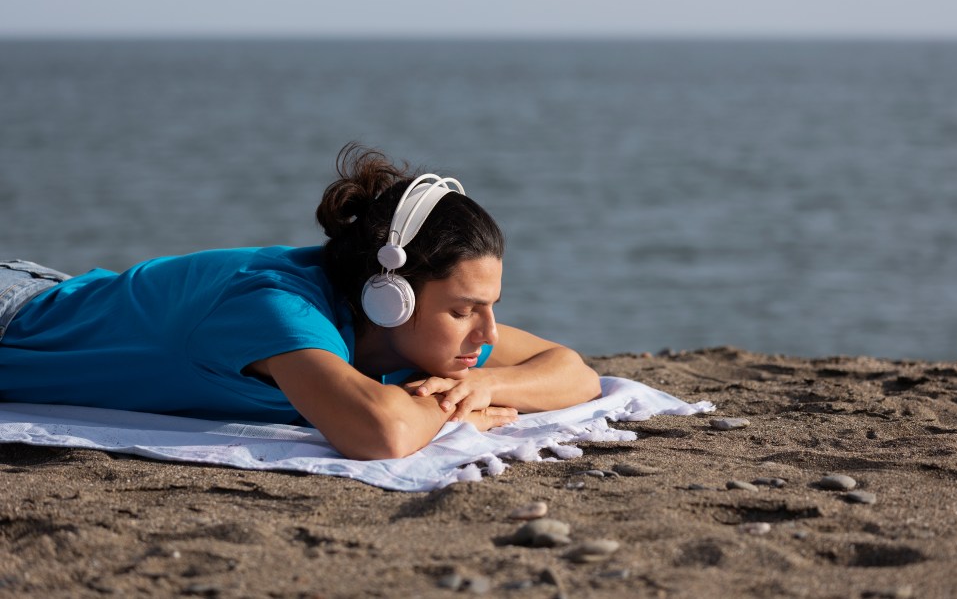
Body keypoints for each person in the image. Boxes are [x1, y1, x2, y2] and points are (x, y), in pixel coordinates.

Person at [0, 144, 602, 460]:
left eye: (488, 306)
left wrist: (490, 388)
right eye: (463, 310)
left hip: (52, 289)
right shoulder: (276, 308)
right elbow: (381, 433)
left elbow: (573, 371)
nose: (489, 332)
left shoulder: (419, 328)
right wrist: (454, 416)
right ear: (389, 297)